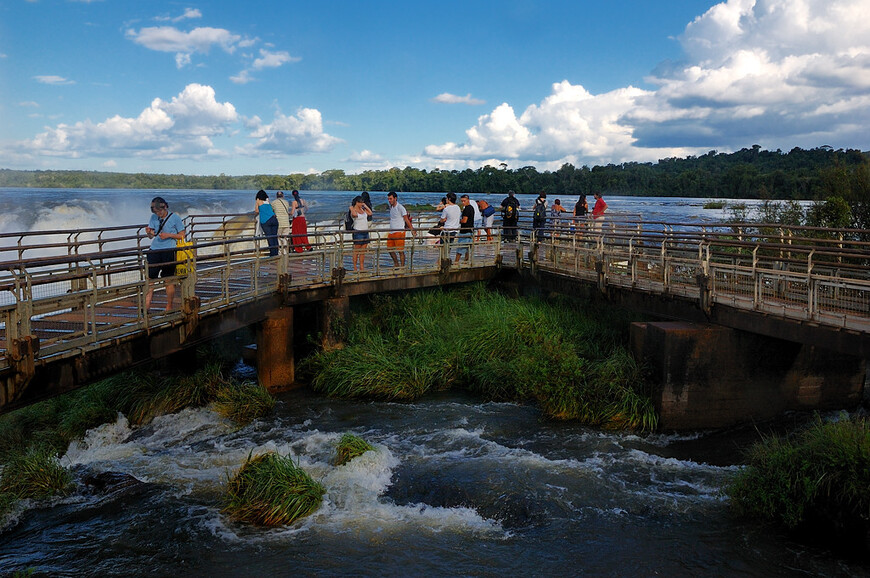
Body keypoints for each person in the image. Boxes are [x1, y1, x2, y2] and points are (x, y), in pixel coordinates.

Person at [144, 196, 185, 311]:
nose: (158, 214)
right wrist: (149, 233)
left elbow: (182, 235)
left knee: (168, 280)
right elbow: (151, 236)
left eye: (159, 212)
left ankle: (169, 306)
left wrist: (169, 235)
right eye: (156, 212)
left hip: (169, 250)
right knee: (150, 280)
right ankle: (146, 308)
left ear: (165, 207)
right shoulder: (153, 217)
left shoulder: (175, 218)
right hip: (154, 250)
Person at [387, 191, 414, 267]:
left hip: (399, 232)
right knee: (389, 249)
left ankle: (402, 266)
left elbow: (406, 219)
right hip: (392, 232)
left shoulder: (400, 207)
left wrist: (412, 229)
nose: (389, 200)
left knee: (400, 251)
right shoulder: (391, 207)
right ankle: (396, 263)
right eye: (388, 199)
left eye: (391, 199)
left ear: (395, 198)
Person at [350, 195, 372, 271]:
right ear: (357, 202)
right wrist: (352, 208)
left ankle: (361, 266)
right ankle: (355, 267)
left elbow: (370, 213)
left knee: (363, 251)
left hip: (365, 231)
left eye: (363, 202)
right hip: (358, 232)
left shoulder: (363, 209)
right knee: (356, 251)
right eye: (361, 202)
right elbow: (354, 215)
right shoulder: (354, 210)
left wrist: (365, 206)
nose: (362, 203)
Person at [255, 190, 279, 257]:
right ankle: (276, 253)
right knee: (274, 237)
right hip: (274, 219)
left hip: (266, 221)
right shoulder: (267, 201)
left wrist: (258, 205)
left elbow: (256, 210)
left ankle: (272, 254)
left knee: (270, 238)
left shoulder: (258, 201)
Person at [455, 194, 475, 263]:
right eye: (462, 201)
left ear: (468, 200)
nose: (463, 202)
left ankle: (456, 262)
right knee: (467, 248)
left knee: (460, 248)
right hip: (470, 230)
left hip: (465, 231)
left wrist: (457, 221)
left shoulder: (466, 209)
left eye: (464, 201)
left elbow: (464, 220)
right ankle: (466, 261)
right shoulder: (471, 208)